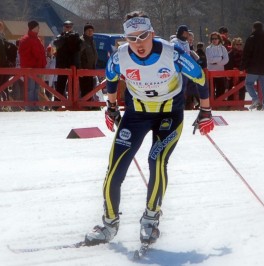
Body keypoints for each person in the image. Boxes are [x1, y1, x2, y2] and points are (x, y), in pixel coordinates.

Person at [84, 10, 214, 246]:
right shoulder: (120, 56)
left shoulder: (172, 53)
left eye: (143, 36)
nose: (138, 43)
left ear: (152, 33)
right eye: (131, 38)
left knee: (156, 160)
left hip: (169, 115)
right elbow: (111, 78)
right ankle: (109, 224)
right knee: (114, 169)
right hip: (137, 115)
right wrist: (111, 107)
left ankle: (151, 220)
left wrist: (205, 111)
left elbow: (201, 77)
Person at [240, 21, 264, 111]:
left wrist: (242, 66)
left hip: (253, 67)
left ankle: (255, 99)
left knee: (248, 83)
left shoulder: (251, 39)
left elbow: (246, 54)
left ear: (253, 28)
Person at [18, 20, 47, 111]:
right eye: (37, 27)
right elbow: (25, 55)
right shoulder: (26, 39)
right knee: (30, 88)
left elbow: (41, 54)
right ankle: (29, 106)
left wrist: (42, 64)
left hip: (38, 67)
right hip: (31, 68)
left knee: (36, 88)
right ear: (33, 28)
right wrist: (32, 64)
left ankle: (35, 105)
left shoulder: (37, 39)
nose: (39, 29)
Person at [53, 20, 82, 104]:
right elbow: (56, 44)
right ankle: (57, 103)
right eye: (66, 26)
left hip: (73, 65)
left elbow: (79, 46)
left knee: (73, 86)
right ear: (63, 27)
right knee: (60, 85)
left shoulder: (76, 37)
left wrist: (73, 37)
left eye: (70, 27)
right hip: (62, 65)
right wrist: (64, 37)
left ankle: (73, 103)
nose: (68, 28)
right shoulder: (60, 37)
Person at [205, 32, 229, 100]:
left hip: (220, 72)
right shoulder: (208, 48)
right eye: (212, 39)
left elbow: (226, 59)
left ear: (219, 39)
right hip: (210, 72)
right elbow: (210, 60)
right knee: (210, 89)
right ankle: (211, 104)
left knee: (221, 88)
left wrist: (217, 62)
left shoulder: (223, 48)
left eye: (216, 38)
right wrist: (220, 58)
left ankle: (219, 103)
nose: (214, 40)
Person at [79, 23, 98, 104]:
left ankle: (90, 103)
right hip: (84, 69)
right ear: (85, 31)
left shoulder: (92, 41)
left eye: (92, 31)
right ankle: (85, 104)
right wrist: (80, 69)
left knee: (91, 88)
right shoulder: (82, 41)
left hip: (91, 69)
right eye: (88, 31)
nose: (90, 32)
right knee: (85, 88)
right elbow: (78, 56)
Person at [225, 37, 246, 110]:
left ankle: (241, 105)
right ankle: (230, 105)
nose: (239, 46)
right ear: (234, 45)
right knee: (231, 88)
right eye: (237, 44)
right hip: (232, 74)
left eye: (240, 44)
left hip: (242, 73)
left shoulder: (244, 53)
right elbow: (227, 64)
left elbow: (245, 63)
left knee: (242, 88)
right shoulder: (230, 54)